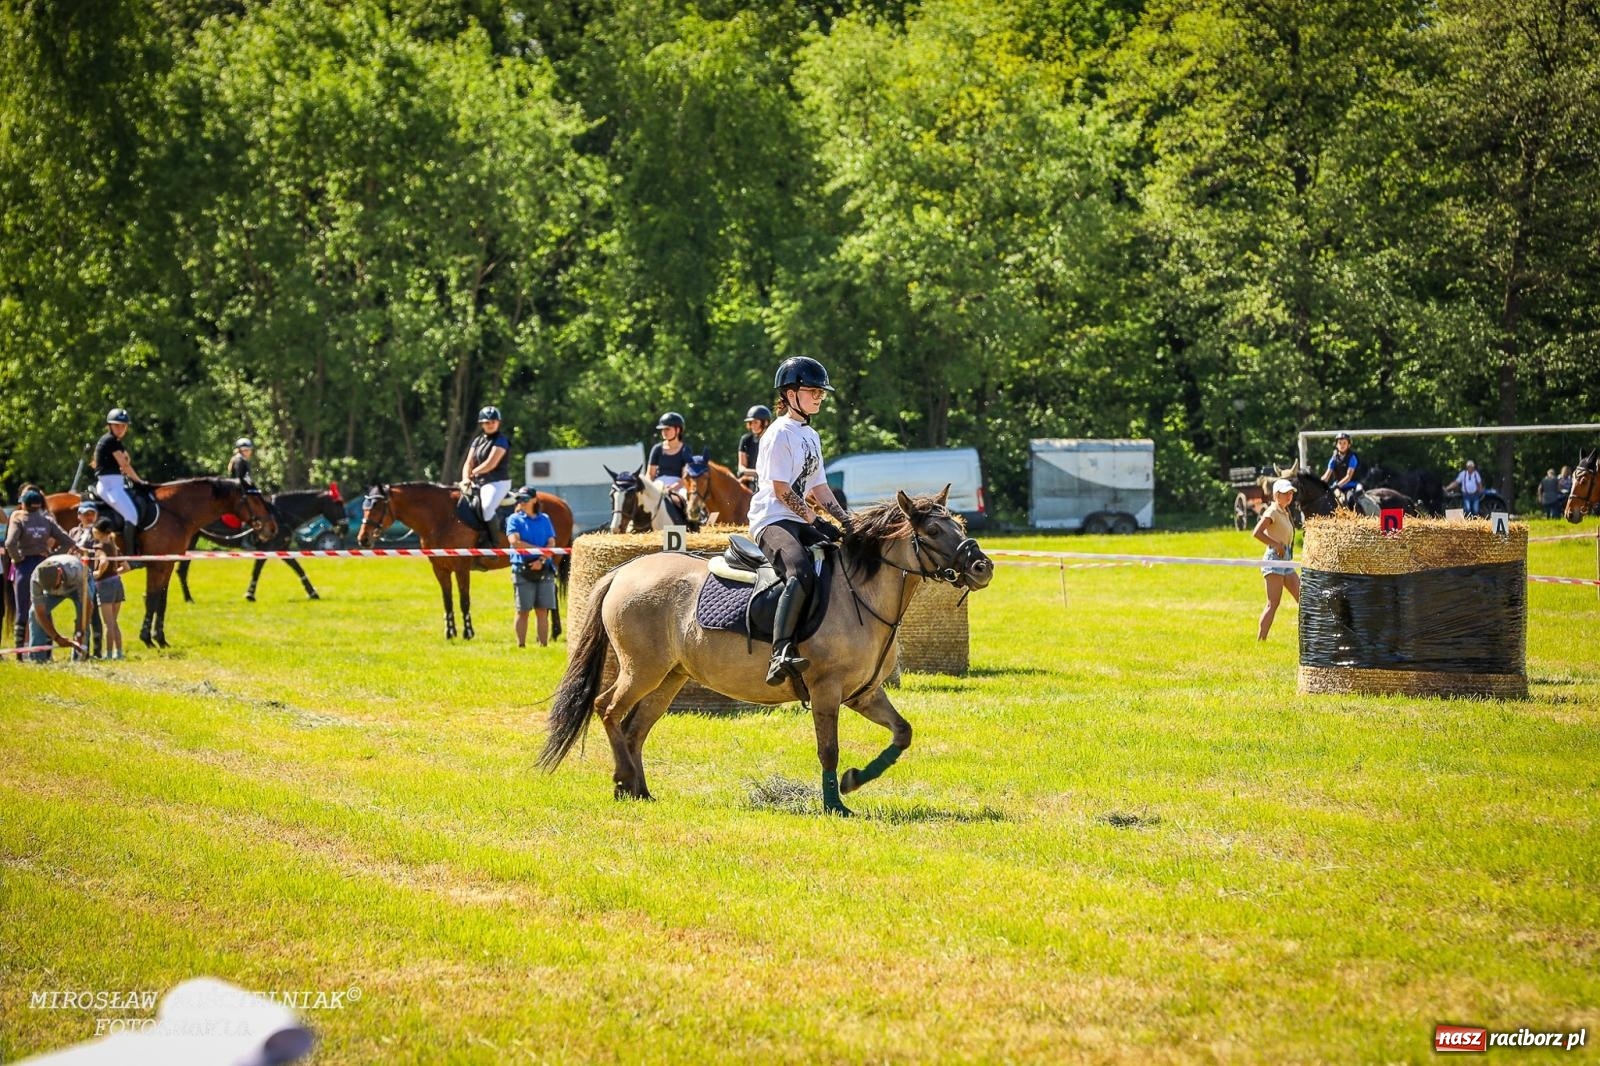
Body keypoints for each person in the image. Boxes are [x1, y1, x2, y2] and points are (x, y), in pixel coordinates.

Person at [749, 356, 852, 686]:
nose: (819, 397)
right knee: (800, 571)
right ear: (791, 394)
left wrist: (846, 522)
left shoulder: (812, 436)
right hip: (772, 520)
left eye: (821, 393)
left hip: (797, 519)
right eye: (813, 391)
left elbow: (819, 487)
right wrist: (814, 520)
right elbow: (781, 491)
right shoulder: (778, 434)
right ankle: (780, 652)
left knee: (839, 561)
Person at [5, 486, 71, 652]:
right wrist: (52, 556)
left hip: (24, 566)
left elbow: (9, 543)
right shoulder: (47, 520)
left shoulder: (18, 519)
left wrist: (18, 558)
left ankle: (20, 651)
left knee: (22, 609)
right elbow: (68, 541)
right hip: (43, 566)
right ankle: (46, 648)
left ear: (24, 504)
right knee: (45, 607)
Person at [505, 487, 558, 648]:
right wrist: (539, 549)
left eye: (525, 499)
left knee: (543, 610)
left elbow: (551, 543)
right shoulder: (514, 519)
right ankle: (521, 645)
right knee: (523, 610)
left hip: (544, 567)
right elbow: (515, 542)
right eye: (520, 499)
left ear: (535, 500)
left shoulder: (545, 519)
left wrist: (541, 559)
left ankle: (543, 645)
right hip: (522, 568)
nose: (522, 502)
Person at [1252, 478, 1302, 640]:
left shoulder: (1285, 511)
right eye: (1285, 493)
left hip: (1285, 560)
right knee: (1273, 604)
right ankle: (1261, 640)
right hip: (1274, 559)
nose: (1289, 496)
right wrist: (1276, 545)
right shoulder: (1272, 511)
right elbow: (1257, 533)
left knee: (1303, 598)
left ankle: (1311, 636)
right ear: (1276, 495)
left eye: (1290, 493)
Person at [93, 407, 147, 554]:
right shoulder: (110, 440)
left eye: (123, 426)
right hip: (110, 485)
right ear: (109, 425)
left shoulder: (114, 441)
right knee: (132, 516)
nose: (121, 428)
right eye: (117, 425)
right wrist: (139, 482)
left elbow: (125, 459)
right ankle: (130, 556)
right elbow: (124, 464)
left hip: (115, 483)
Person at [460, 406, 512, 549]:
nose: (490, 425)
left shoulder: (502, 440)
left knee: (487, 507)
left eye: (493, 422)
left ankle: (493, 543)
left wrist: (472, 474)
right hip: (479, 482)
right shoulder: (477, 440)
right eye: (487, 422)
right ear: (482, 424)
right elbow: (468, 462)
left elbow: (491, 463)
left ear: (498, 423)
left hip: (497, 482)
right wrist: (465, 479)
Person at [27, 553, 90, 662]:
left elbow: (87, 605)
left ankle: (80, 657)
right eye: (49, 587)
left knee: (82, 615)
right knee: (33, 613)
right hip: (63, 583)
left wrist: (80, 631)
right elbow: (39, 612)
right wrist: (56, 637)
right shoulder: (36, 579)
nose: (54, 589)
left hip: (77, 585)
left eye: (55, 585)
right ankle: (37, 658)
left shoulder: (76, 571)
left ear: (59, 572)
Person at [68, 500, 104, 658]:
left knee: (93, 613)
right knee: (80, 613)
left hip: (91, 577)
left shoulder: (98, 533)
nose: (89, 517)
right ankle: (81, 648)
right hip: (74, 576)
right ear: (79, 516)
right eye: (86, 514)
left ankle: (96, 650)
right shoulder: (73, 532)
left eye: (92, 514)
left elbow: (99, 552)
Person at [92, 517, 128, 660]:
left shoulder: (100, 548)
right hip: (117, 583)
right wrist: (114, 573)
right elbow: (126, 567)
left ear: (99, 532)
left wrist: (99, 573)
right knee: (114, 621)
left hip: (105, 585)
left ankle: (107, 654)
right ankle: (118, 652)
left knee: (108, 623)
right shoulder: (114, 546)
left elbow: (104, 562)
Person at [647, 411, 691, 511]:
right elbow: (650, 474)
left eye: (667, 429)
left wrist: (672, 488)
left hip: (678, 486)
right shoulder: (657, 449)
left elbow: (685, 477)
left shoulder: (685, 450)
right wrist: (651, 487)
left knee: (687, 499)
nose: (664, 432)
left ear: (678, 430)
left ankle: (690, 525)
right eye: (662, 429)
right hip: (658, 484)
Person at [1324, 431, 1362, 508]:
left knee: (1350, 499)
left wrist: (1336, 486)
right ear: (1337, 445)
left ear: (1349, 445)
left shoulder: (1352, 458)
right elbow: (1326, 476)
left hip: (1351, 486)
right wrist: (1319, 484)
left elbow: (1348, 477)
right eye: (1340, 443)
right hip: (1338, 487)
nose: (1342, 445)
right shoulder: (1334, 458)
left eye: (1344, 443)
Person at [736, 405, 772, 488]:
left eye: (755, 422)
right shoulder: (746, 440)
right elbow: (741, 467)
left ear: (765, 422)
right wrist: (757, 473)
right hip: (748, 481)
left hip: (767, 483)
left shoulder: (772, 441)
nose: (752, 426)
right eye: (750, 423)